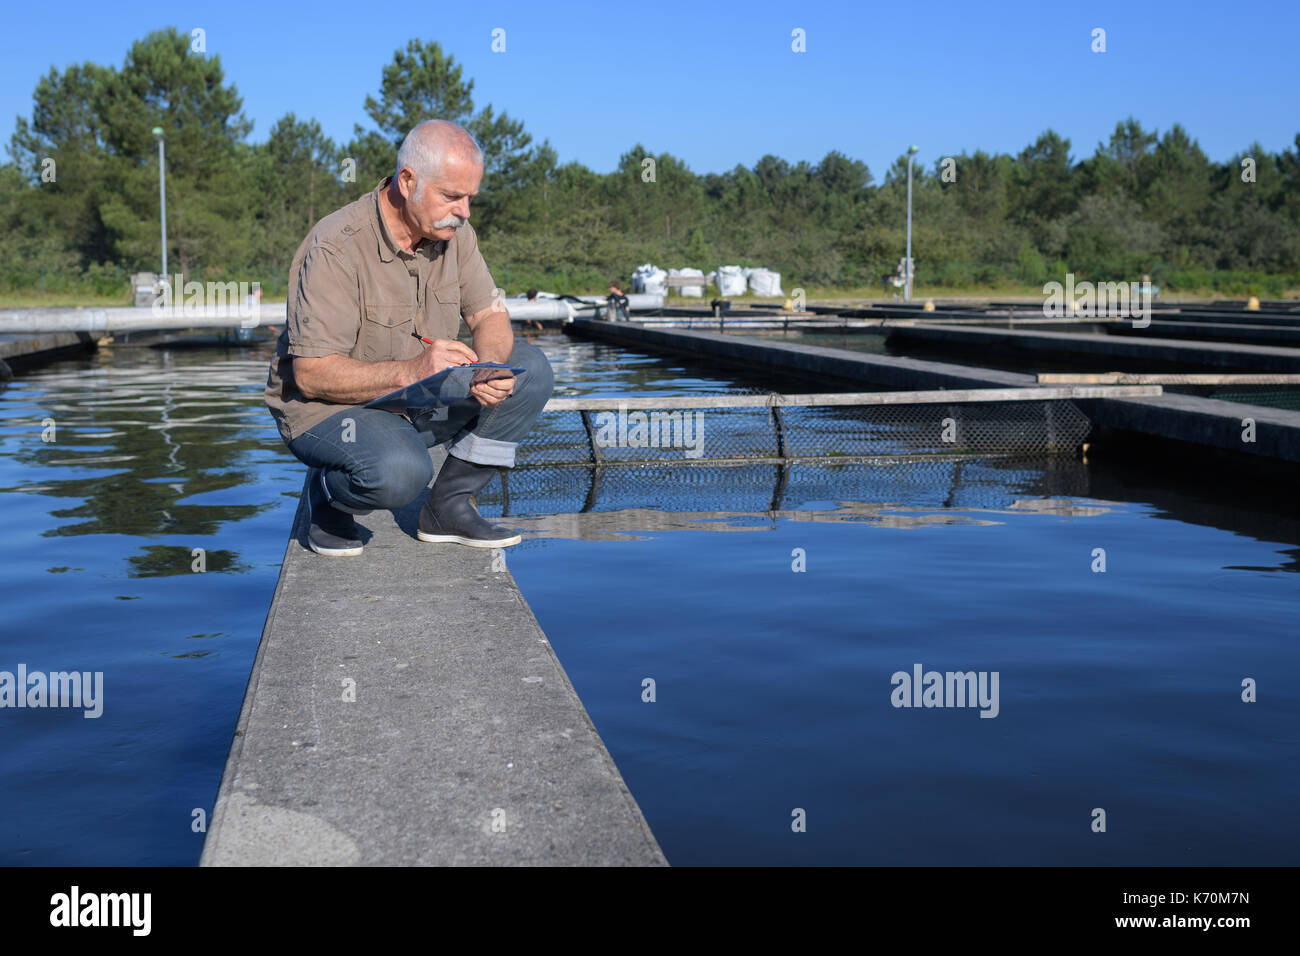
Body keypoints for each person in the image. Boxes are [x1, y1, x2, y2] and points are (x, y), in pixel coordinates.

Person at [264, 119, 554, 557]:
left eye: (470, 197)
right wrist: (416, 370)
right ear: (407, 181)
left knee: (529, 369)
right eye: (453, 196)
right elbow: (311, 376)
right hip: (330, 411)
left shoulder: (456, 235)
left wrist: (489, 366)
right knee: (400, 473)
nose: (465, 211)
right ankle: (328, 493)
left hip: (415, 399)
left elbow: (491, 315)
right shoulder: (335, 248)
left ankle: (449, 506)